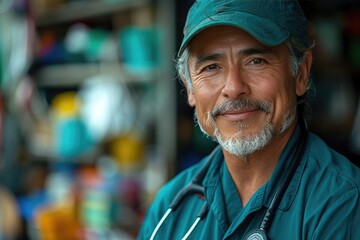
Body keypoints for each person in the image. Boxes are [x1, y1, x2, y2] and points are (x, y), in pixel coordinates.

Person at [138, 0, 360, 239]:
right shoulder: (169, 207)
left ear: (301, 74)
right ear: (190, 89)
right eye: (211, 67)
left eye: (256, 61)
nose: (233, 88)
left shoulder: (342, 202)